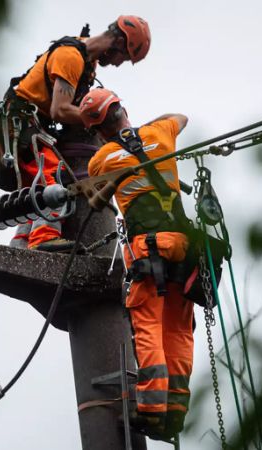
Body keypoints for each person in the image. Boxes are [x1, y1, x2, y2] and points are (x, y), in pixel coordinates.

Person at [0, 16, 151, 252]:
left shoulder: (86, 60)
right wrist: (97, 120)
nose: (117, 64)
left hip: (33, 123)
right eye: (124, 57)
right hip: (23, 121)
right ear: (119, 43)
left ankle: (21, 244)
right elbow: (59, 109)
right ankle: (44, 237)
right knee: (49, 175)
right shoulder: (71, 57)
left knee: (35, 189)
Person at [83, 88, 193, 439]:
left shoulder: (101, 158)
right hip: (184, 248)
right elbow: (180, 117)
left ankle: (151, 411)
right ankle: (173, 412)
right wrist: (147, 133)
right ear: (123, 110)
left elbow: (93, 199)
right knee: (178, 329)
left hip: (148, 249)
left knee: (148, 327)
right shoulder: (161, 133)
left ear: (98, 131)